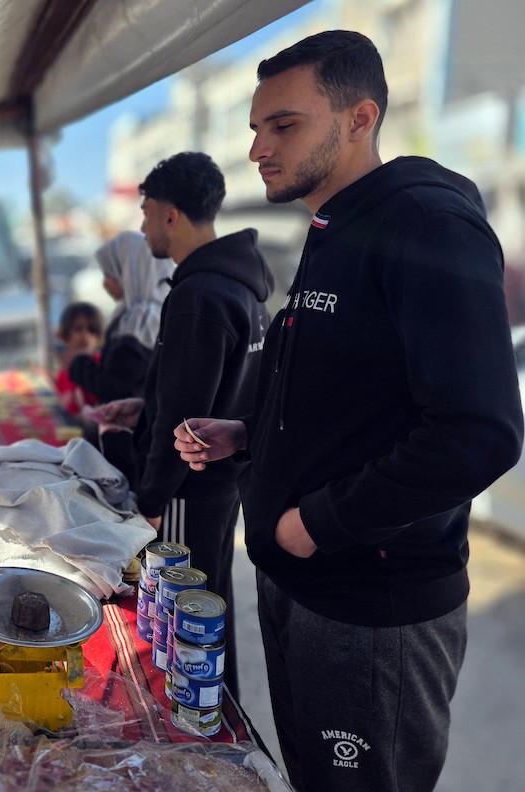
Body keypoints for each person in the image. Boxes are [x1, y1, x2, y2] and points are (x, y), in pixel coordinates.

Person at [175, 31, 522, 791]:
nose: (260, 148)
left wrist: (315, 525)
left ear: (359, 118)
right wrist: (246, 436)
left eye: (285, 126)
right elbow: (341, 398)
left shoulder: (426, 224)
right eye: (257, 129)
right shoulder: (331, 231)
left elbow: (479, 433)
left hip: (371, 612)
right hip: (299, 588)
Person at [98, 152, 273, 700]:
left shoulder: (199, 296)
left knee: (180, 622)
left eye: (146, 211)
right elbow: (207, 392)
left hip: (186, 492)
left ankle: (196, 731)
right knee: (208, 609)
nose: (143, 225)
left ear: (171, 214)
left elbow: (186, 419)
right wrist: (143, 405)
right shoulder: (238, 286)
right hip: (219, 489)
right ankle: (218, 715)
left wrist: (149, 503)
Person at [66, 231, 172, 403]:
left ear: (132, 273)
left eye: (111, 274)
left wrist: (78, 362)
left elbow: (114, 387)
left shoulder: (142, 319)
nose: (106, 283)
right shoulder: (147, 310)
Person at [53, 301, 104, 417]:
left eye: (91, 330)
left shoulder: (100, 365)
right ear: (64, 335)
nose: (85, 335)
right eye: (78, 329)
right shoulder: (63, 373)